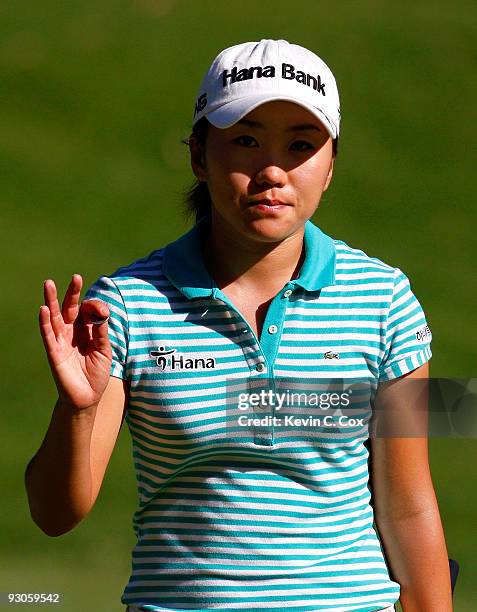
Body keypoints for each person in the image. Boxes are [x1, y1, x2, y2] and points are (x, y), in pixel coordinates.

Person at [25, 39, 453, 611]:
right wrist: (77, 410)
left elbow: (408, 504)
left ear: (330, 167)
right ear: (200, 156)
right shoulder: (127, 304)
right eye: (246, 141)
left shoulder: (383, 299)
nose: (272, 170)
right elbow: (56, 515)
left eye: (301, 146)